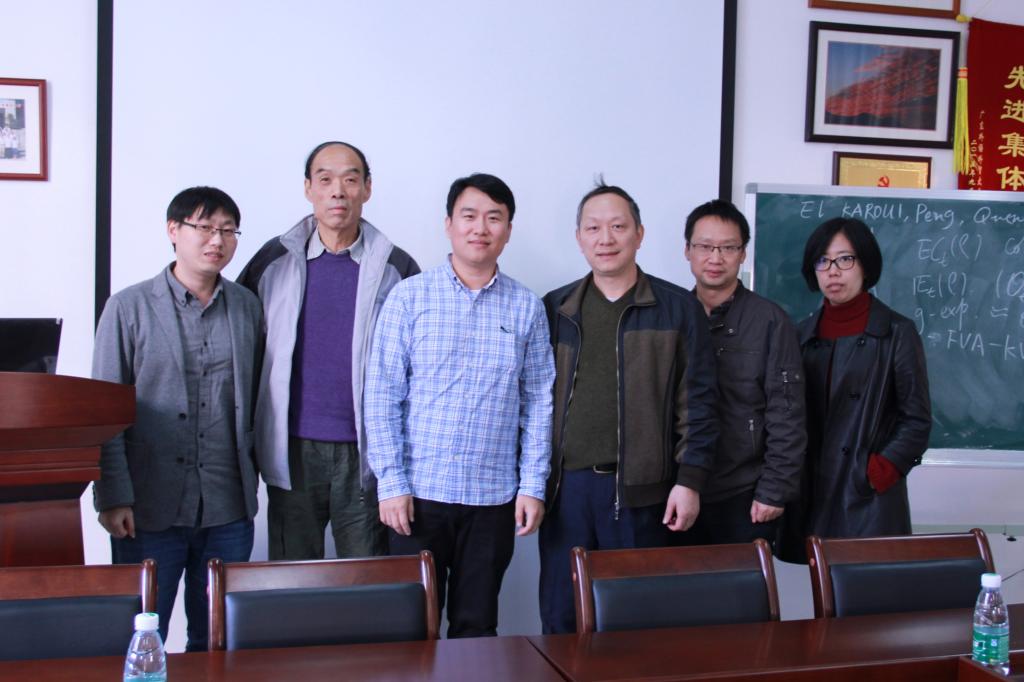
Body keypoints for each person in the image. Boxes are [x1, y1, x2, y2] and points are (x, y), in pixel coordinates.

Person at [365, 173, 554, 638]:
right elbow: (382, 395)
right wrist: (391, 484)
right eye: (469, 216)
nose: (480, 228)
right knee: (411, 629)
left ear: (508, 230)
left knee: (476, 628)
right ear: (448, 224)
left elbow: (538, 403)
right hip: (417, 497)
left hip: (492, 499)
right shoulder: (410, 298)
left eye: (494, 218)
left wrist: (533, 486)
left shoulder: (526, 307)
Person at [538, 182, 719, 634]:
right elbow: (533, 402)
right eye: (593, 228)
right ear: (579, 237)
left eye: (618, 227)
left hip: (642, 493)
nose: (606, 238)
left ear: (639, 234)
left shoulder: (678, 309)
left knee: (636, 624)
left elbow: (698, 403)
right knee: (562, 619)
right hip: (566, 493)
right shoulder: (555, 309)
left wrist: (690, 481)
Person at [93, 186, 262, 651]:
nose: (217, 240)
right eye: (205, 227)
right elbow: (104, 410)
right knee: (140, 639)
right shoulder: (128, 307)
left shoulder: (247, 307)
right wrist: (113, 496)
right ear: (174, 230)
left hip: (227, 506)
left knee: (218, 643)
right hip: (147, 509)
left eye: (228, 230)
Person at [238, 141, 419, 560]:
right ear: (308, 188)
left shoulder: (397, 268)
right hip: (292, 448)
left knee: (367, 579)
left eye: (350, 179)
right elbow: (243, 348)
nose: (338, 190)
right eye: (325, 179)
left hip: (365, 453)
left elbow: (417, 366)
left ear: (367, 188)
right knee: (293, 578)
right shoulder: (273, 261)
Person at [779, 217, 931, 562]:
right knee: (816, 587)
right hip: (809, 491)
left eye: (845, 259)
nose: (833, 271)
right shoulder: (799, 335)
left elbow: (917, 419)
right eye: (823, 261)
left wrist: (879, 471)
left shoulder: (896, 333)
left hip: (866, 497)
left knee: (868, 588)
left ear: (866, 265)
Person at [682, 199, 806, 546]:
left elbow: (787, 412)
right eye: (705, 246)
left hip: (744, 491)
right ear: (687, 251)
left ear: (743, 254)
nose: (715, 257)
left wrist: (774, 490)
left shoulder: (770, 320)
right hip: (680, 488)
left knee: (743, 582)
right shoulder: (673, 313)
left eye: (728, 248)